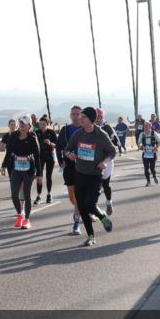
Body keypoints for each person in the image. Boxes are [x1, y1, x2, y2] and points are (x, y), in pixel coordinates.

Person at [64, 106, 116, 247]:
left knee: (90, 205)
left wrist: (104, 162)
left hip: (94, 175)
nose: (80, 118)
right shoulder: (78, 134)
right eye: (80, 116)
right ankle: (91, 236)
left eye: (83, 117)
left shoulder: (101, 135)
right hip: (80, 174)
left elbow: (112, 151)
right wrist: (69, 154)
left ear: (91, 120)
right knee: (81, 207)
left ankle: (102, 217)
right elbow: (67, 148)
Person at [0, 116, 43, 229]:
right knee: (14, 194)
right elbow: (8, 152)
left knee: (26, 194)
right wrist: (3, 165)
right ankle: (20, 215)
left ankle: (27, 220)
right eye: (20, 123)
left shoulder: (33, 137)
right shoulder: (14, 136)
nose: (22, 125)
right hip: (16, 167)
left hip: (29, 168)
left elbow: (38, 157)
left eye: (24, 123)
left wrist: (39, 174)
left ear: (29, 126)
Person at [56, 105, 85, 235]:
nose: (75, 116)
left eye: (78, 114)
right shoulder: (65, 130)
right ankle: (80, 209)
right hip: (68, 165)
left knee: (79, 195)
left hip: (83, 166)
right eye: (73, 114)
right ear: (70, 115)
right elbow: (58, 147)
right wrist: (60, 160)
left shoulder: (87, 130)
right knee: (72, 196)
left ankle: (76, 222)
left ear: (82, 115)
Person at [95, 108, 121, 215]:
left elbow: (116, 140)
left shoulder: (107, 127)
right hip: (94, 161)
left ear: (102, 117)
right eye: (96, 117)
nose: (98, 119)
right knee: (95, 186)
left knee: (105, 184)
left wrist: (117, 146)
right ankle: (93, 208)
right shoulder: (90, 128)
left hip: (107, 160)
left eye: (99, 117)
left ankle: (109, 202)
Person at [33, 116, 58, 205]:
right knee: (39, 176)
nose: (42, 126)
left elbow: (56, 145)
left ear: (47, 124)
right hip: (40, 156)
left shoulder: (51, 132)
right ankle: (39, 196)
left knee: (48, 176)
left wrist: (50, 143)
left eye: (44, 124)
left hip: (49, 156)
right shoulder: (36, 133)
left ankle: (49, 194)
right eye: (40, 124)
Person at [137, 121, 160, 185]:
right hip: (145, 153)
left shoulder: (154, 133)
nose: (145, 127)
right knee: (146, 168)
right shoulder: (142, 134)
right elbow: (138, 142)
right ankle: (148, 181)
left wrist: (156, 147)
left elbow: (159, 142)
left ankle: (154, 176)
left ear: (150, 126)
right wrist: (140, 147)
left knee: (152, 168)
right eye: (145, 126)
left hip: (153, 153)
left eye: (147, 126)